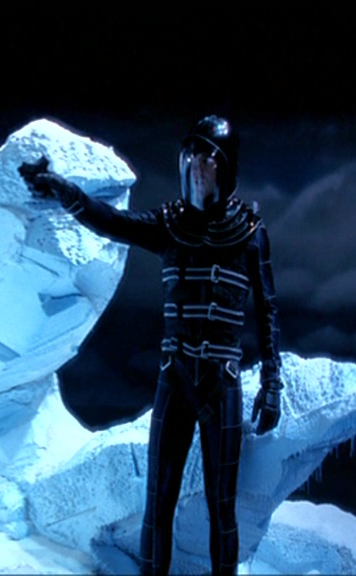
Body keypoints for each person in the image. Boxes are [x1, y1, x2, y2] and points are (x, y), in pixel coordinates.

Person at [19, 115, 282, 576]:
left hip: (221, 381)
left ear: (225, 166)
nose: (197, 167)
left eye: (207, 159)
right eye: (191, 156)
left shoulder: (249, 233)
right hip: (175, 376)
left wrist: (272, 383)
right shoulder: (169, 225)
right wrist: (63, 191)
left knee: (223, 506)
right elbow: (112, 222)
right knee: (158, 501)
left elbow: (268, 311)